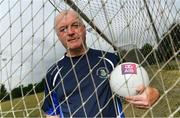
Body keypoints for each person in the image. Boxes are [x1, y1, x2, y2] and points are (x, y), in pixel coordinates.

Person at [42, 9, 160, 117]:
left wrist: (153, 93)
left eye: (75, 25)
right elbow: (52, 113)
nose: (70, 32)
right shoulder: (53, 74)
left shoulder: (110, 59)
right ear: (58, 36)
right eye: (63, 29)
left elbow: (138, 85)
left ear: (84, 29)